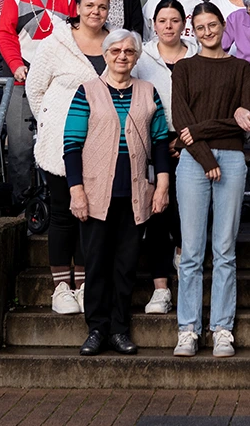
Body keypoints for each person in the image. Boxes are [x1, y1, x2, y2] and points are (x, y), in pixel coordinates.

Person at [67, 29, 170, 356]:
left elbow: (160, 142)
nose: (122, 56)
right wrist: (76, 191)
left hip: (136, 191)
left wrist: (162, 185)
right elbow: (71, 145)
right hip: (96, 192)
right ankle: (96, 330)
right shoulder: (87, 91)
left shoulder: (148, 91)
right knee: (97, 263)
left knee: (125, 266)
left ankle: (119, 330)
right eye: (116, 51)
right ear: (106, 55)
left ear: (136, 57)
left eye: (129, 51)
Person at [172, 3, 250, 359]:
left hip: (233, 160)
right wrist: (206, 158)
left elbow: (247, 122)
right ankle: (188, 329)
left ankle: (222, 328)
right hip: (194, 163)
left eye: (213, 25)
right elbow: (181, 120)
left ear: (224, 26)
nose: (208, 32)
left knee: (225, 249)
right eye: (201, 27)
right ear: (193, 31)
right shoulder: (184, 68)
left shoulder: (241, 68)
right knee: (191, 251)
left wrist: (201, 130)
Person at [26, 0, 109, 315]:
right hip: (61, 143)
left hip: (102, 144)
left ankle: (86, 283)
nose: (95, 12)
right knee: (63, 212)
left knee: (92, 214)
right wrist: (51, 121)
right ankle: (62, 287)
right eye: (90, 5)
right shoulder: (56, 42)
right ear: (78, 8)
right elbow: (35, 89)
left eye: (102, 7)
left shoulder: (116, 42)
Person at [0, 0, 77, 215]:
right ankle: (22, 206)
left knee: (58, 142)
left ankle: (58, 204)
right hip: (22, 75)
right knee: (19, 146)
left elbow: (74, 34)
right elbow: (5, 34)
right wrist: (16, 65)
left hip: (57, 80)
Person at [132, 0, 199, 315]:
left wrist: (186, 140)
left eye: (174, 20)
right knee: (158, 212)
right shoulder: (142, 57)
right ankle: (160, 289)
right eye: (162, 21)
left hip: (192, 142)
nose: (168, 26)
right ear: (154, 24)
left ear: (184, 24)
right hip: (153, 143)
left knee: (188, 211)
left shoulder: (197, 54)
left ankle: (183, 261)